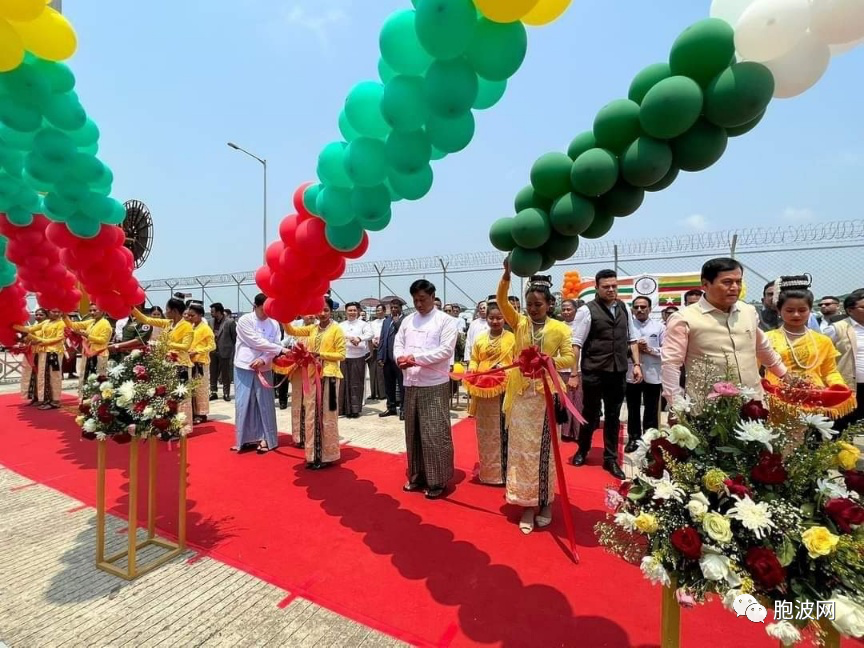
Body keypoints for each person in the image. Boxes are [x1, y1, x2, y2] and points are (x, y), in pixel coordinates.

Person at [497, 262, 574, 533]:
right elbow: (502, 302)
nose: (532, 308)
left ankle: (546, 502)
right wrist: (506, 276)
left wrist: (547, 360)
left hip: (546, 400)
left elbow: (569, 357)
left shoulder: (560, 329)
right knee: (522, 454)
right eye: (529, 304)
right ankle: (526, 504)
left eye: (538, 304)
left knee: (546, 453)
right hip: (520, 396)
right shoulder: (519, 323)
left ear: (550, 304)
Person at [661, 258, 788, 403]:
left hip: (753, 403)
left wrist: (784, 375)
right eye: (727, 282)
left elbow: (763, 348)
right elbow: (671, 364)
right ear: (705, 284)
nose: (735, 287)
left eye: (738, 282)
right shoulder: (684, 319)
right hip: (709, 409)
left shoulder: (749, 312)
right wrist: (675, 405)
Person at [569, 270, 642, 479]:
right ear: (597, 288)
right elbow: (576, 344)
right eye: (606, 286)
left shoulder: (624, 308)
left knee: (613, 415)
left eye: (614, 286)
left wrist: (636, 364)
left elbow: (632, 339)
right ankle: (583, 449)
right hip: (594, 371)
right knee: (590, 413)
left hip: (618, 371)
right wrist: (575, 373)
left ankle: (610, 458)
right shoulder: (587, 311)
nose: (611, 290)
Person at [394, 280, 458, 499]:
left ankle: (438, 479)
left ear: (433, 296)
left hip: (433, 383)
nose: (419, 304)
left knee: (434, 432)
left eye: (422, 299)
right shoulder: (407, 321)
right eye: (415, 300)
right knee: (413, 432)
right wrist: (400, 358)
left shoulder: (446, 321)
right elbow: (398, 344)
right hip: (411, 382)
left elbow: (445, 351)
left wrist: (415, 359)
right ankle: (417, 475)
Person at [764, 284, 851, 419]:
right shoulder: (767, 338)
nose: (796, 314)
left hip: (815, 399)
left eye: (802, 310)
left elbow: (830, 371)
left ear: (810, 310)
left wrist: (838, 386)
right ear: (779, 311)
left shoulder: (823, 341)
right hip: (777, 397)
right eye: (790, 310)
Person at [283, 298, 347, 468]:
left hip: (331, 378)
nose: (322, 314)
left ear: (331, 311)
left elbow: (341, 355)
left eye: (326, 310)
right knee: (312, 414)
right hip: (312, 377)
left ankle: (327, 455)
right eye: (320, 310)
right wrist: (282, 315)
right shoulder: (312, 328)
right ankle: (312, 455)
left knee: (328, 415)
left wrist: (320, 354)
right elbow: (291, 330)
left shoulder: (337, 330)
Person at [466, 301, 515, 486]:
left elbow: (517, 360)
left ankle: (505, 473)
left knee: (504, 430)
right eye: (491, 318)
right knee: (486, 432)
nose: (495, 321)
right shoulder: (480, 339)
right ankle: (488, 472)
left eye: (499, 318)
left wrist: (503, 369)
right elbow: (474, 359)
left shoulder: (512, 338)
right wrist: (472, 371)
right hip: (484, 390)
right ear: (486, 319)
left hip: (504, 387)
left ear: (505, 319)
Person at [132, 298, 195, 437]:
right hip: (168, 364)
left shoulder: (187, 326)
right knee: (168, 396)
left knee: (181, 397)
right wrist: (130, 307)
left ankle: (183, 427)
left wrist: (165, 344)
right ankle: (169, 425)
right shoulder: (168, 323)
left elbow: (186, 346)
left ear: (174, 311)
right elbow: (145, 319)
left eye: (167, 310)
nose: (165, 312)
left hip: (181, 364)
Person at [232, 293, 285, 454]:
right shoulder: (245, 320)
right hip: (244, 366)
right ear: (255, 306)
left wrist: (263, 359)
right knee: (244, 403)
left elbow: (274, 343)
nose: (267, 312)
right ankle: (245, 438)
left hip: (264, 367)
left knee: (265, 403)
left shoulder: (274, 323)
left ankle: (267, 439)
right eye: (264, 309)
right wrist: (281, 350)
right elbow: (255, 341)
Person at [625, 296, 663, 453]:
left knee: (651, 408)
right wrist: (633, 349)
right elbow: (619, 349)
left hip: (653, 373)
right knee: (632, 407)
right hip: (631, 372)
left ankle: (649, 440)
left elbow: (667, 350)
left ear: (650, 308)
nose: (640, 309)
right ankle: (633, 438)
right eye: (637, 307)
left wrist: (649, 349)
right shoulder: (627, 327)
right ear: (633, 309)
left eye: (643, 307)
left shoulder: (659, 327)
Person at [826, 289, 864, 431]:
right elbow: (822, 351)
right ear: (850, 310)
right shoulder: (837, 328)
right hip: (848, 386)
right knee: (844, 425)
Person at [15, 308, 65, 409]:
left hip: (54, 352)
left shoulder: (61, 323)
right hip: (44, 352)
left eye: (58, 311)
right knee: (43, 376)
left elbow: (59, 338)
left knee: (53, 376)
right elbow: (30, 330)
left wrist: (42, 341)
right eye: (53, 311)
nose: (56, 313)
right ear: (49, 312)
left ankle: (54, 401)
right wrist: (13, 326)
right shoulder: (46, 322)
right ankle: (44, 399)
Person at [64, 305, 113, 397]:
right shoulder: (91, 322)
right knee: (85, 376)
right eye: (90, 310)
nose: (92, 313)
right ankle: (84, 397)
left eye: (95, 310)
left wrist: (87, 335)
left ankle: (97, 399)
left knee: (98, 377)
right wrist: (64, 317)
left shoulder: (105, 323)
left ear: (102, 311)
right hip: (88, 353)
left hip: (99, 354)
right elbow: (74, 325)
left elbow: (103, 340)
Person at [284, 314, 317, 445]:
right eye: (307, 312)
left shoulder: (319, 326)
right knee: (297, 401)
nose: (310, 316)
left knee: (311, 402)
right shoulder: (295, 325)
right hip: (297, 368)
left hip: (314, 369)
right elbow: (286, 339)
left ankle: (312, 435)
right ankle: (298, 436)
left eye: (313, 312)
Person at [339, 302, 371, 418]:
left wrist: (359, 338)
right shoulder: (341, 325)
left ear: (357, 311)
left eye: (354, 310)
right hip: (344, 356)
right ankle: (345, 409)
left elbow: (370, 334)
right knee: (344, 383)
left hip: (358, 356)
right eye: (350, 310)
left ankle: (355, 409)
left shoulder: (363, 324)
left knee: (356, 383)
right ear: (346, 312)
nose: (352, 313)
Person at [188, 304, 216, 425]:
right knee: (193, 389)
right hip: (191, 361)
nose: (190, 317)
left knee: (201, 389)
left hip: (201, 362)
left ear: (200, 315)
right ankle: (194, 412)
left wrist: (197, 351)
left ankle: (202, 413)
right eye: (189, 315)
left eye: (192, 315)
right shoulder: (192, 327)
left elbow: (212, 346)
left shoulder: (205, 328)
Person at [378, 299, 405, 419]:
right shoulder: (386, 321)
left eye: (396, 307)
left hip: (399, 359)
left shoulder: (405, 320)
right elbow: (382, 339)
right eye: (392, 307)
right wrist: (380, 356)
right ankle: (391, 407)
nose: (394, 310)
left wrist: (397, 322)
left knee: (402, 385)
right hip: (387, 359)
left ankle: (404, 409)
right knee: (389, 385)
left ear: (401, 308)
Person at [209, 303, 236, 402]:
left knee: (226, 374)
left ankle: (226, 393)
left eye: (213, 312)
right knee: (213, 372)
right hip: (213, 351)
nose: (211, 313)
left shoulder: (229, 322)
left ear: (218, 312)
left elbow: (234, 338)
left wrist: (232, 350)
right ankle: (213, 392)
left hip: (225, 351)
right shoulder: (210, 322)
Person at [18, 308, 47, 403]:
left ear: (46, 316)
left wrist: (33, 340)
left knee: (41, 376)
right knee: (31, 375)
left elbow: (42, 339)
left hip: (42, 353)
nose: (38, 316)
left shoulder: (46, 326)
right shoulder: (34, 325)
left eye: (41, 315)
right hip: (32, 353)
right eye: (36, 314)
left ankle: (42, 397)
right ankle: (34, 396)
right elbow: (27, 338)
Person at [367, 303, 387, 401]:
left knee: (381, 371)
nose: (379, 312)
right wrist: (373, 341)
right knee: (372, 371)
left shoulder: (387, 321)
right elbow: (369, 334)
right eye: (377, 310)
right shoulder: (372, 323)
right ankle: (373, 393)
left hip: (383, 349)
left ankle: (382, 393)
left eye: (380, 310)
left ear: (384, 311)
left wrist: (380, 341)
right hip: (373, 348)